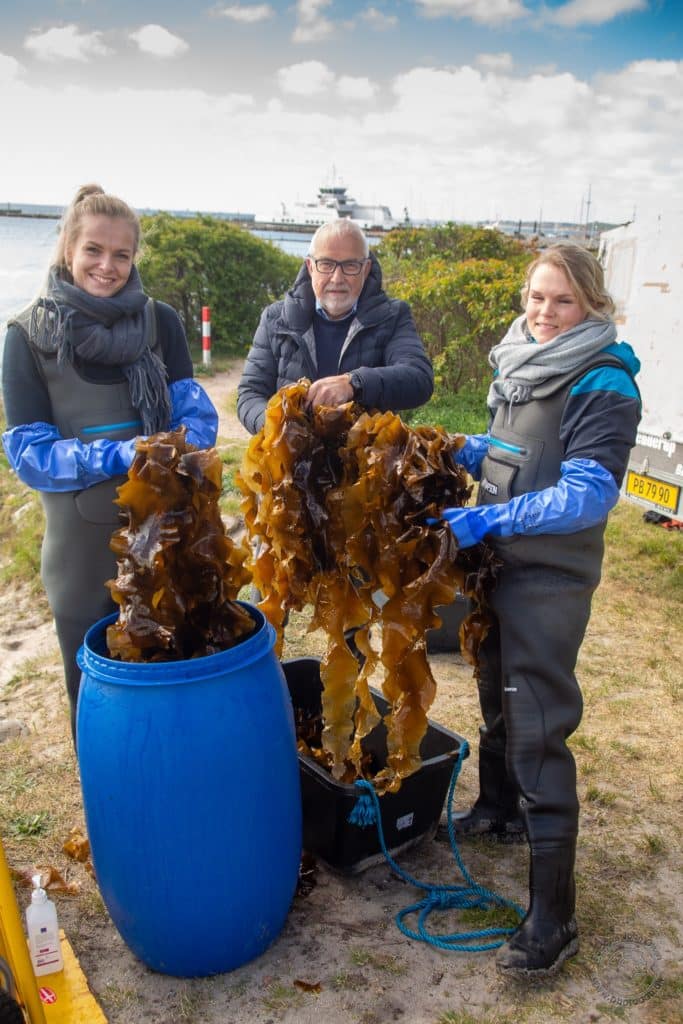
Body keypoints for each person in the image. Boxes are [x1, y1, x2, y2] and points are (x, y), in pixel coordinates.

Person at [433, 242, 641, 976]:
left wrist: (492, 519)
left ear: (589, 304)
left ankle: (554, 919)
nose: (543, 312)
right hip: (497, 570)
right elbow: (512, 448)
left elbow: (586, 493)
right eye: (534, 296)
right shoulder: (518, 362)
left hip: (548, 579)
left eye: (560, 300)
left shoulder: (603, 378)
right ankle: (496, 811)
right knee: (492, 689)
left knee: (538, 729)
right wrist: (467, 451)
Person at [1, 184, 218, 743]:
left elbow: (196, 416)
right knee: (93, 701)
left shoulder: (161, 322)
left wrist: (178, 445)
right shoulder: (26, 336)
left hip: (164, 536)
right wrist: (124, 454)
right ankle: (107, 807)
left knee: (170, 677)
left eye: (122, 254)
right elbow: (30, 455)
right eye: (94, 250)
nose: (108, 265)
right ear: (68, 250)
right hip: (79, 552)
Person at [237, 219, 433, 433]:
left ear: (366, 269)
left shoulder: (393, 316)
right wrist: (275, 429)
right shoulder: (275, 319)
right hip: (293, 459)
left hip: (368, 460)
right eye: (327, 264)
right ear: (310, 267)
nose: (337, 278)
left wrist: (355, 383)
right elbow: (249, 394)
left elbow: (419, 379)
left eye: (350, 265)